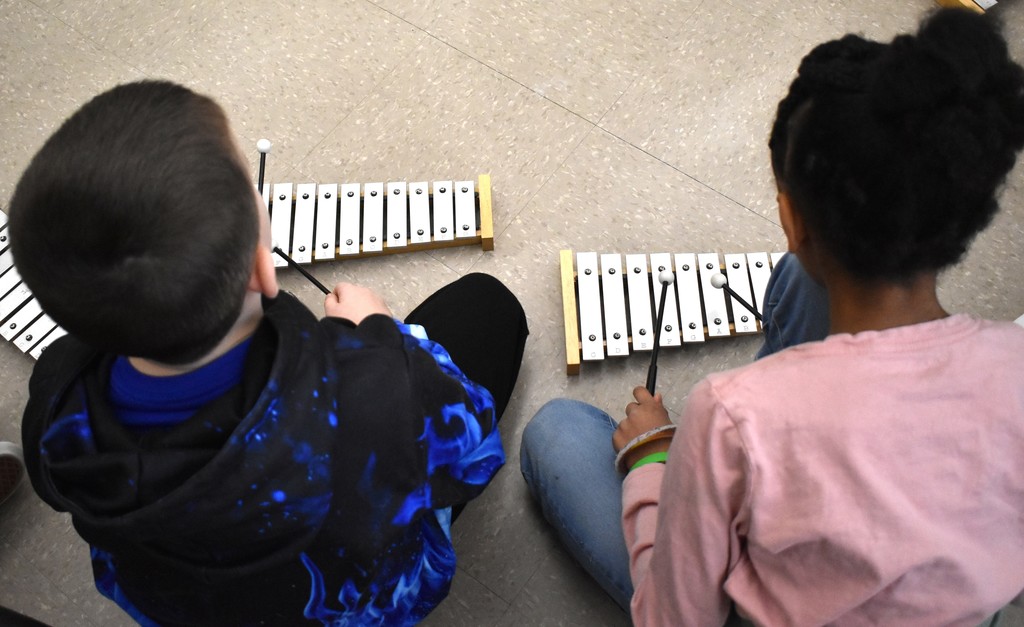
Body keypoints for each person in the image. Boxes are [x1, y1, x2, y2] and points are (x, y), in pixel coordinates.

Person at [521, 8, 1024, 626]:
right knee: (799, 285)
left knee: (556, 433)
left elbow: (677, 619)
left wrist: (653, 459)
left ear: (791, 218)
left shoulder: (733, 415)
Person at [10, 80, 528, 626]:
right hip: (355, 604)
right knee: (486, 307)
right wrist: (383, 338)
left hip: (189, 608)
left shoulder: (54, 404)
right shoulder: (377, 392)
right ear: (263, 268)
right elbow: (474, 454)